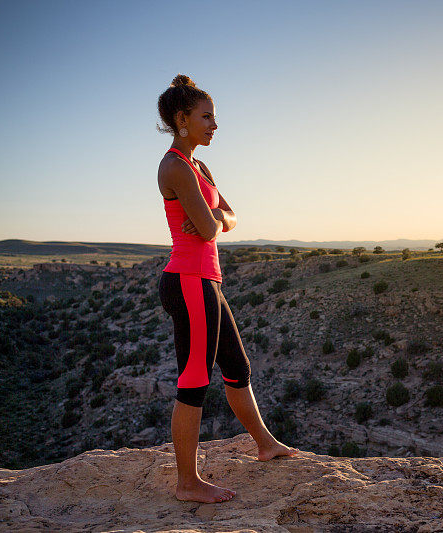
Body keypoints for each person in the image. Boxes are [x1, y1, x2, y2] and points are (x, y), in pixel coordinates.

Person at [155, 74, 299, 504]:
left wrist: (214, 218)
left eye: (214, 116)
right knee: (195, 378)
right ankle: (187, 482)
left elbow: (226, 219)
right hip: (188, 281)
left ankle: (265, 443)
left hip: (207, 282)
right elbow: (211, 225)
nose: (215, 124)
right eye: (207, 116)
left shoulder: (199, 166)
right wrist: (214, 220)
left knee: (238, 367)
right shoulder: (175, 166)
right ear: (182, 120)